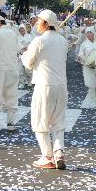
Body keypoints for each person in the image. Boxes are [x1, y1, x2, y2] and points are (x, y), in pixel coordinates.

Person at [21, 9, 69, 170]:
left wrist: (25, 53)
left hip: (44, 85)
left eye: (38, 21)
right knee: (58, 121)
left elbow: (28, 63)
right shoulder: (63, 40)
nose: (35, 24)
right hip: (61, 86)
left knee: (40, 121)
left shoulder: (39, 41)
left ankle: (47, 156)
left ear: (46, 23)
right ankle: (59, 151)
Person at [75, 28, 96, 107]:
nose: (89, 34)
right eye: (87, 33)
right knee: (91, 84)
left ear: (94, 33)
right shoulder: (84, 44)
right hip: (88, 66)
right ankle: (93, 100)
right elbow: (81, 53)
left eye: (90, 32)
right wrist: (80, 57)